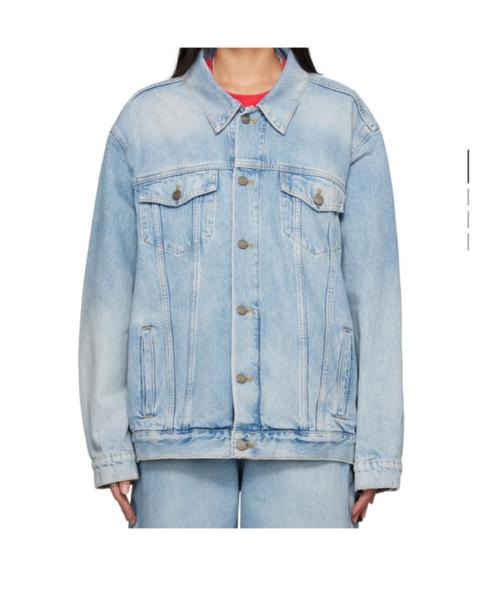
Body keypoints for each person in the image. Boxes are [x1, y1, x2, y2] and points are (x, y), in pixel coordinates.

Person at [78, 48, 404, 528]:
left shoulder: (342, 121)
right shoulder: (146, 123)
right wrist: (110, 446)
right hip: (174, 440)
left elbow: (375, 296)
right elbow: (107, 292)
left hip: (311, 440)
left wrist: (376, 451)